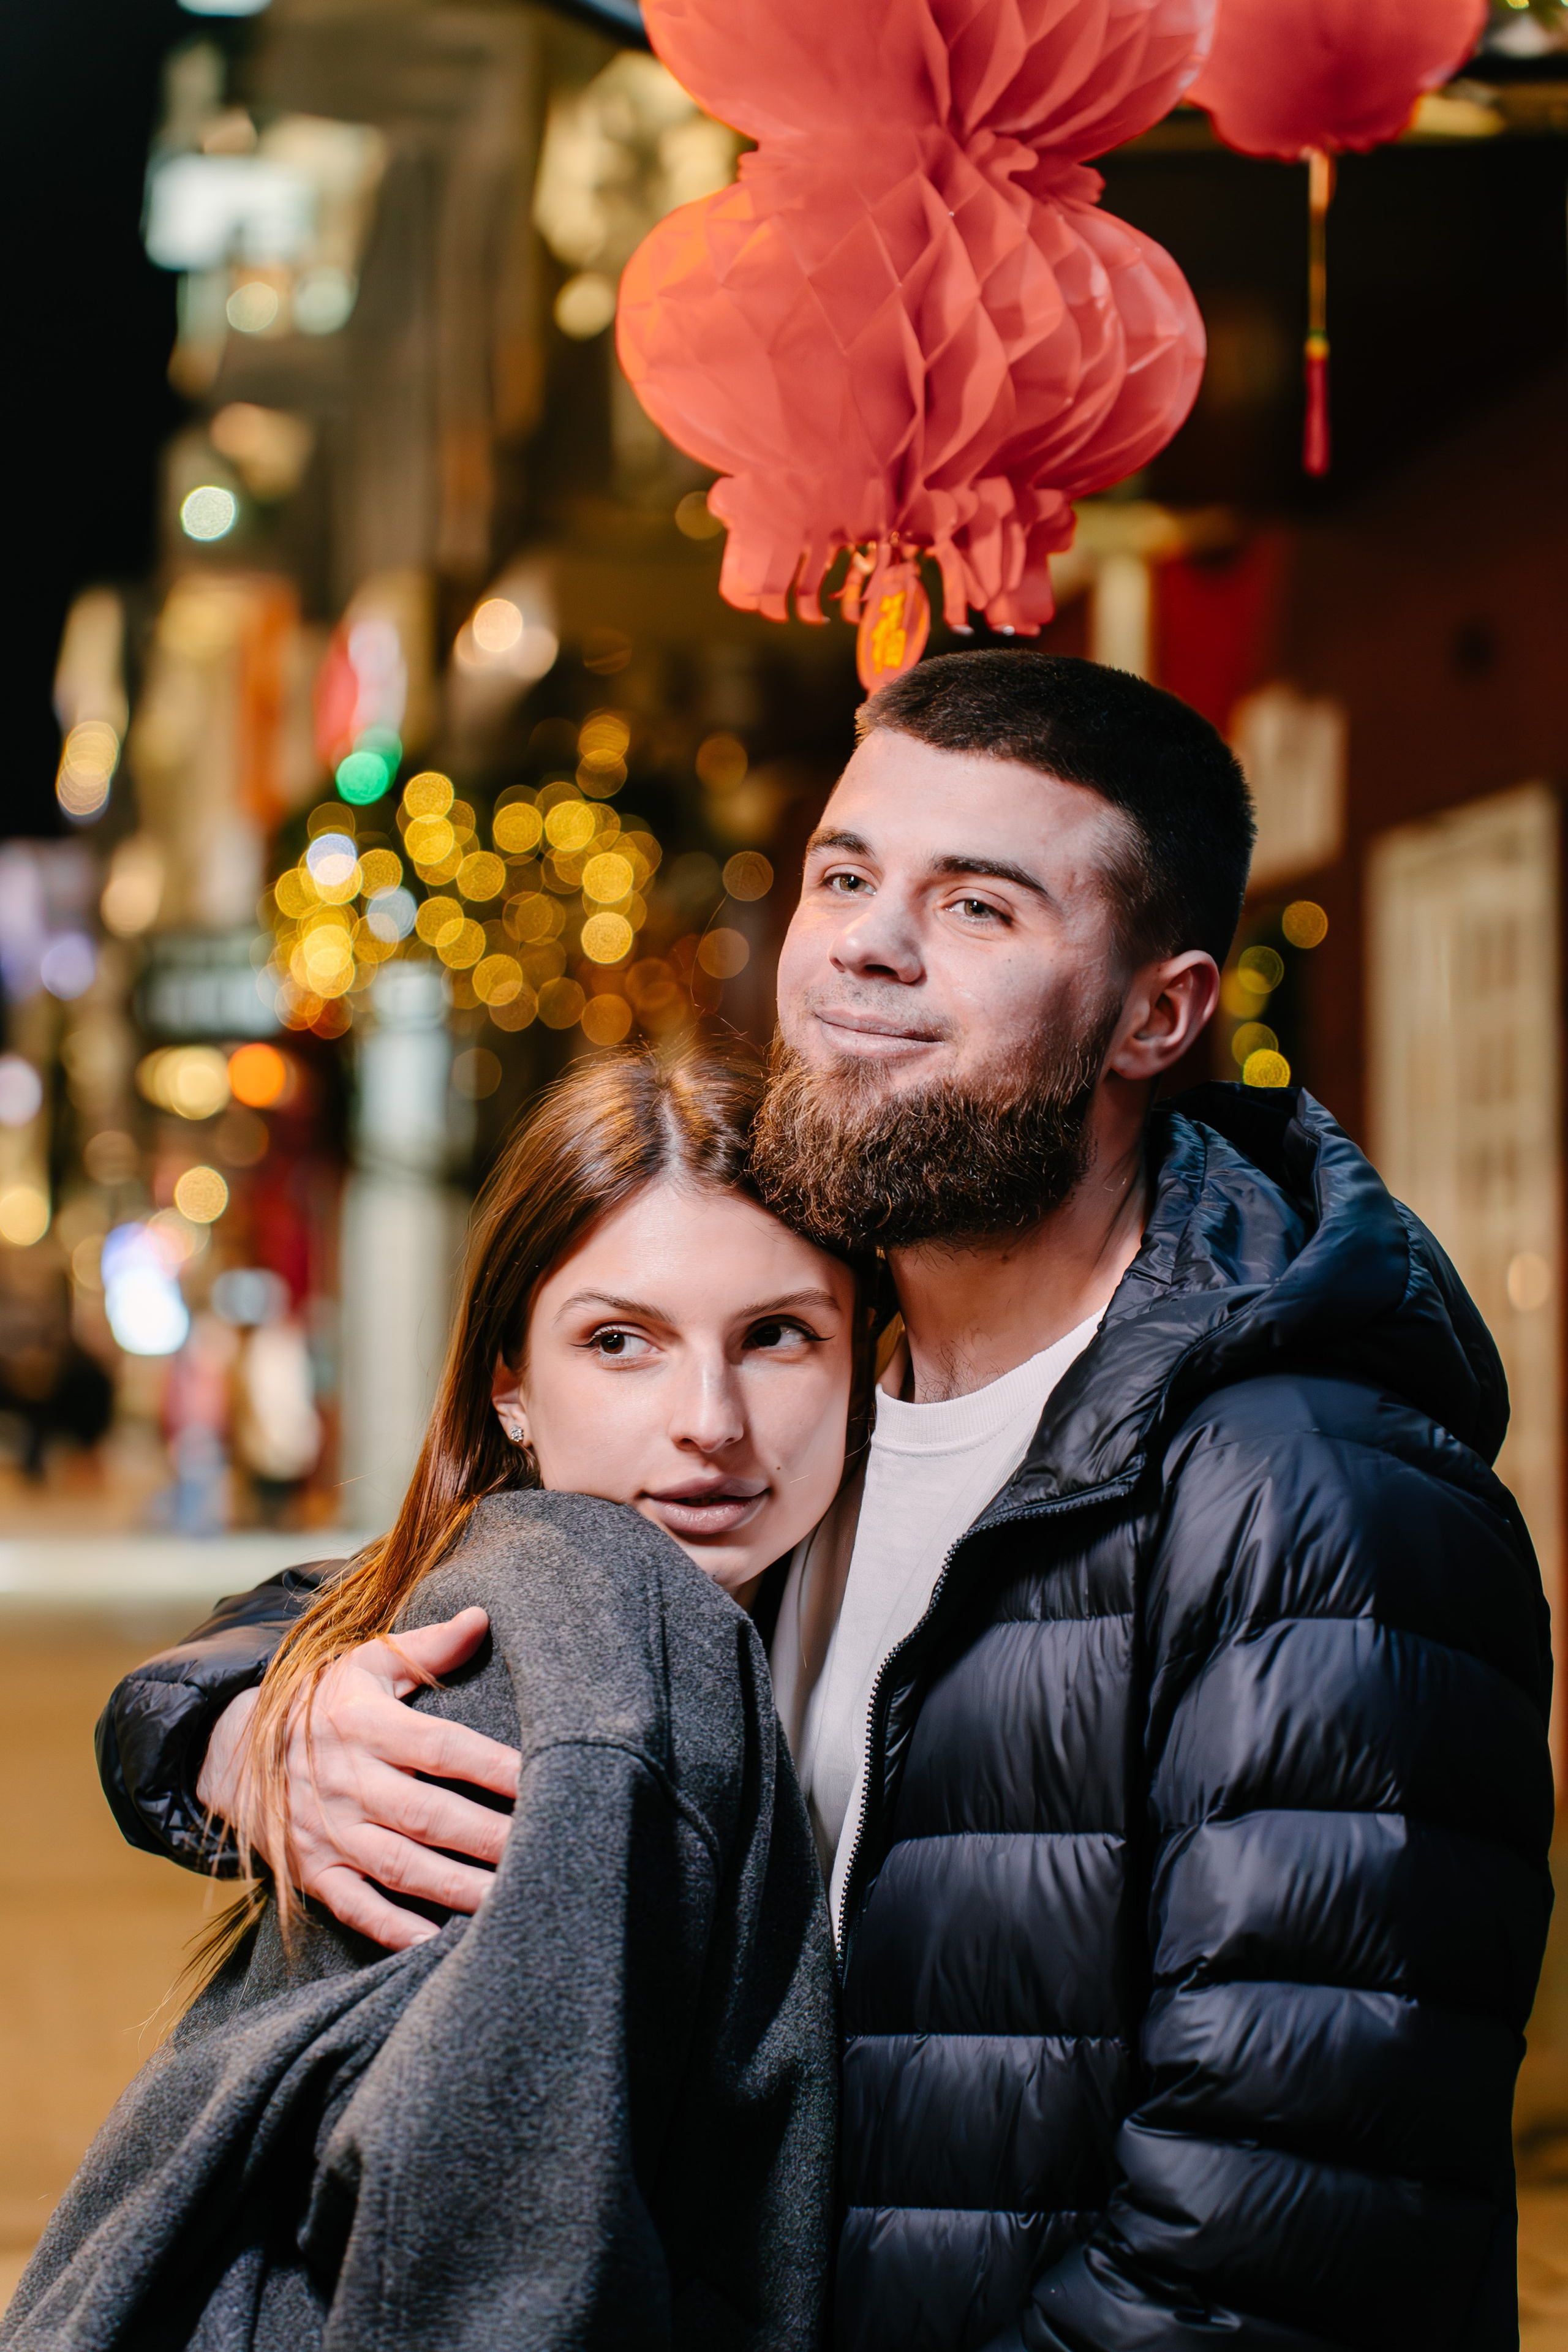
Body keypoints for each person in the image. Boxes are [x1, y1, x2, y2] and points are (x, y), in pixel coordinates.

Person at [100, 651, 1554, 2350]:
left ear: (1155, 1016)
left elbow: (1276, 2253)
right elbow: (422, 1580)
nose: (869, 943)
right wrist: (255, 1725)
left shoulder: (1312, 1503)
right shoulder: (818, 1398)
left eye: (979, 906)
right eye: (846, 876)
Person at [13, 1049, 850, 2351]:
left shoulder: (873, 1591)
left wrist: (227, 1722)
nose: (710, 1420)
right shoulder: (560, 1633)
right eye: (618, 1342)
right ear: (509, 1384)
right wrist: (237, 1728)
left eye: (777, 1335)